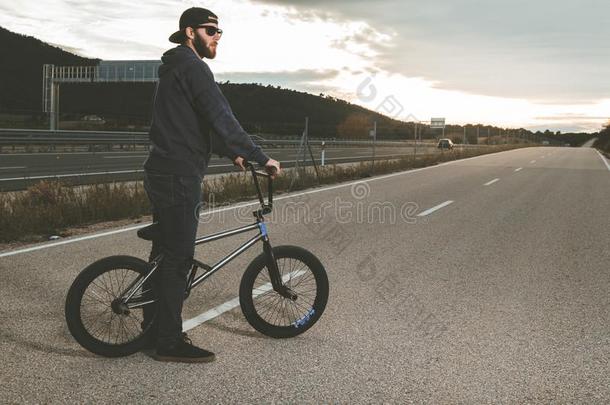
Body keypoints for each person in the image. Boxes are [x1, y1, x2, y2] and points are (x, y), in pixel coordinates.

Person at [142, 6, 281, 363]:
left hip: (164, 170)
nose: (217, 37)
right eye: (209, 30)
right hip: (178, 175)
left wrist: (229, 152)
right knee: (177, 257)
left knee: (163, 255)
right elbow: (220, 116)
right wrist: (259, 156)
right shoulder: (193, 68)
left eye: (220, 32)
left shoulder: (175, 69)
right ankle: (169, 342)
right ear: (190, 33)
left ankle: (152, 329)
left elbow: (194, 123)